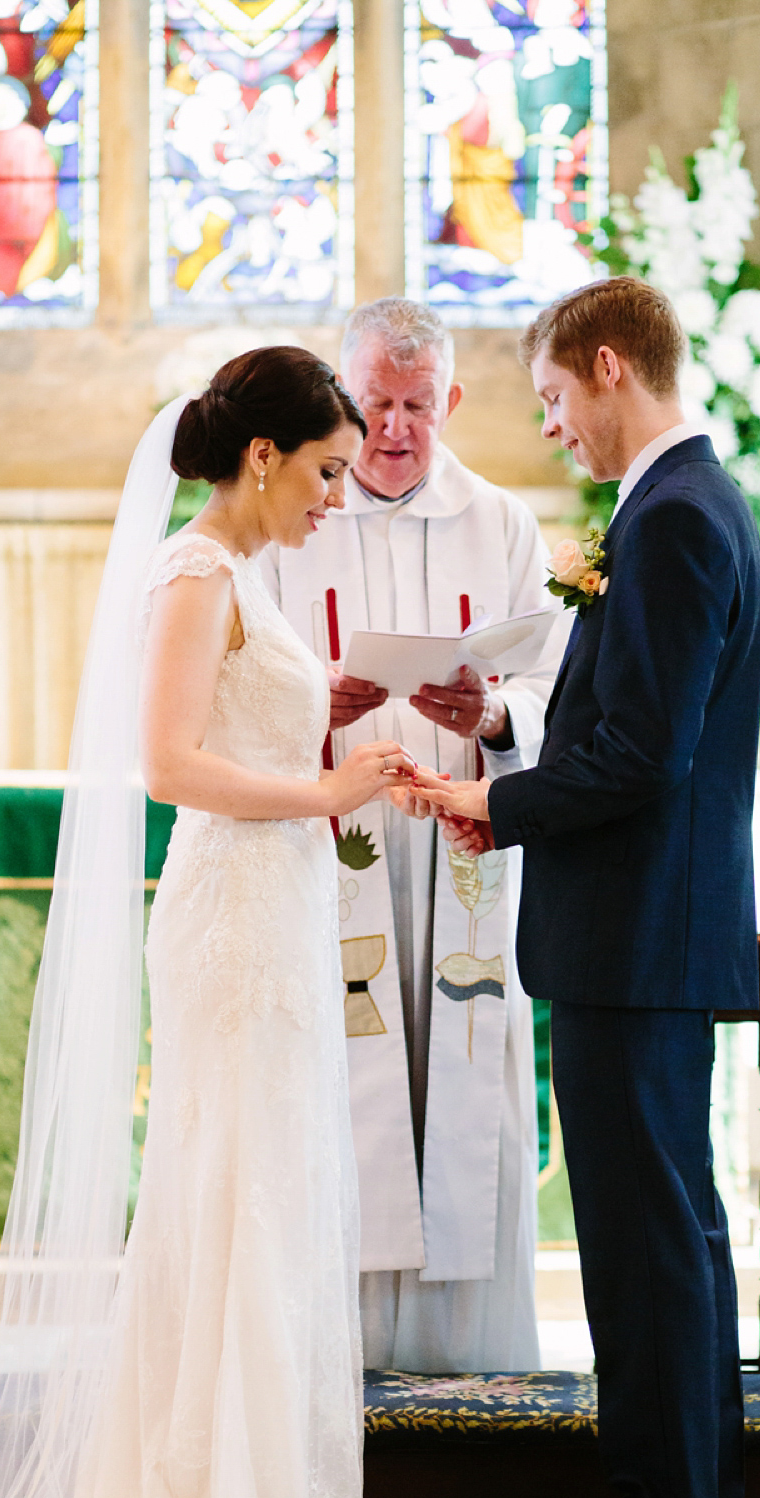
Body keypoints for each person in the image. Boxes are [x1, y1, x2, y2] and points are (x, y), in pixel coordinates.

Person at [0, 346, 490, 1498]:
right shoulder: (194, 573)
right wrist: (327, 783)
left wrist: (342, 760)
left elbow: (239, 745)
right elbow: (165, 767)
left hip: (270, 906)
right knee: (238, 1188)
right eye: (329, 472)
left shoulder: (241, 576)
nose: (340, 498)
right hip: (232, 927)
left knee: (262, 1186)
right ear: (264, 456)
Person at [404, 277, 760, 1498]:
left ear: (609, 368)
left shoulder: (672, 520)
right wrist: (504, 725)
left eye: (555, 396)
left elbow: (645, 762)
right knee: (677, 1229)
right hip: (649, 933)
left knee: (642, 1235)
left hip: (639, 934)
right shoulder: (678, 505)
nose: (551, 425)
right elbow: (623, 722)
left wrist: (488, 802)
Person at [262, 297, 568, 1373]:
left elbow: (547, 683)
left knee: (458, 1070)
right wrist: (316, 713)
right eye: (378, 404)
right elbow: (241, 682)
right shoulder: (295, 514)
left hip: (458, 847)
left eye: (418, 406)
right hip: (331, 843)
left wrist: (488, 716)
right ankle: (338, 1350)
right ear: (347, 398)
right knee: (346, 1077)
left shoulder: (503, 524)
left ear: (455, 401)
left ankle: (464, 1347)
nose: (395, 428)